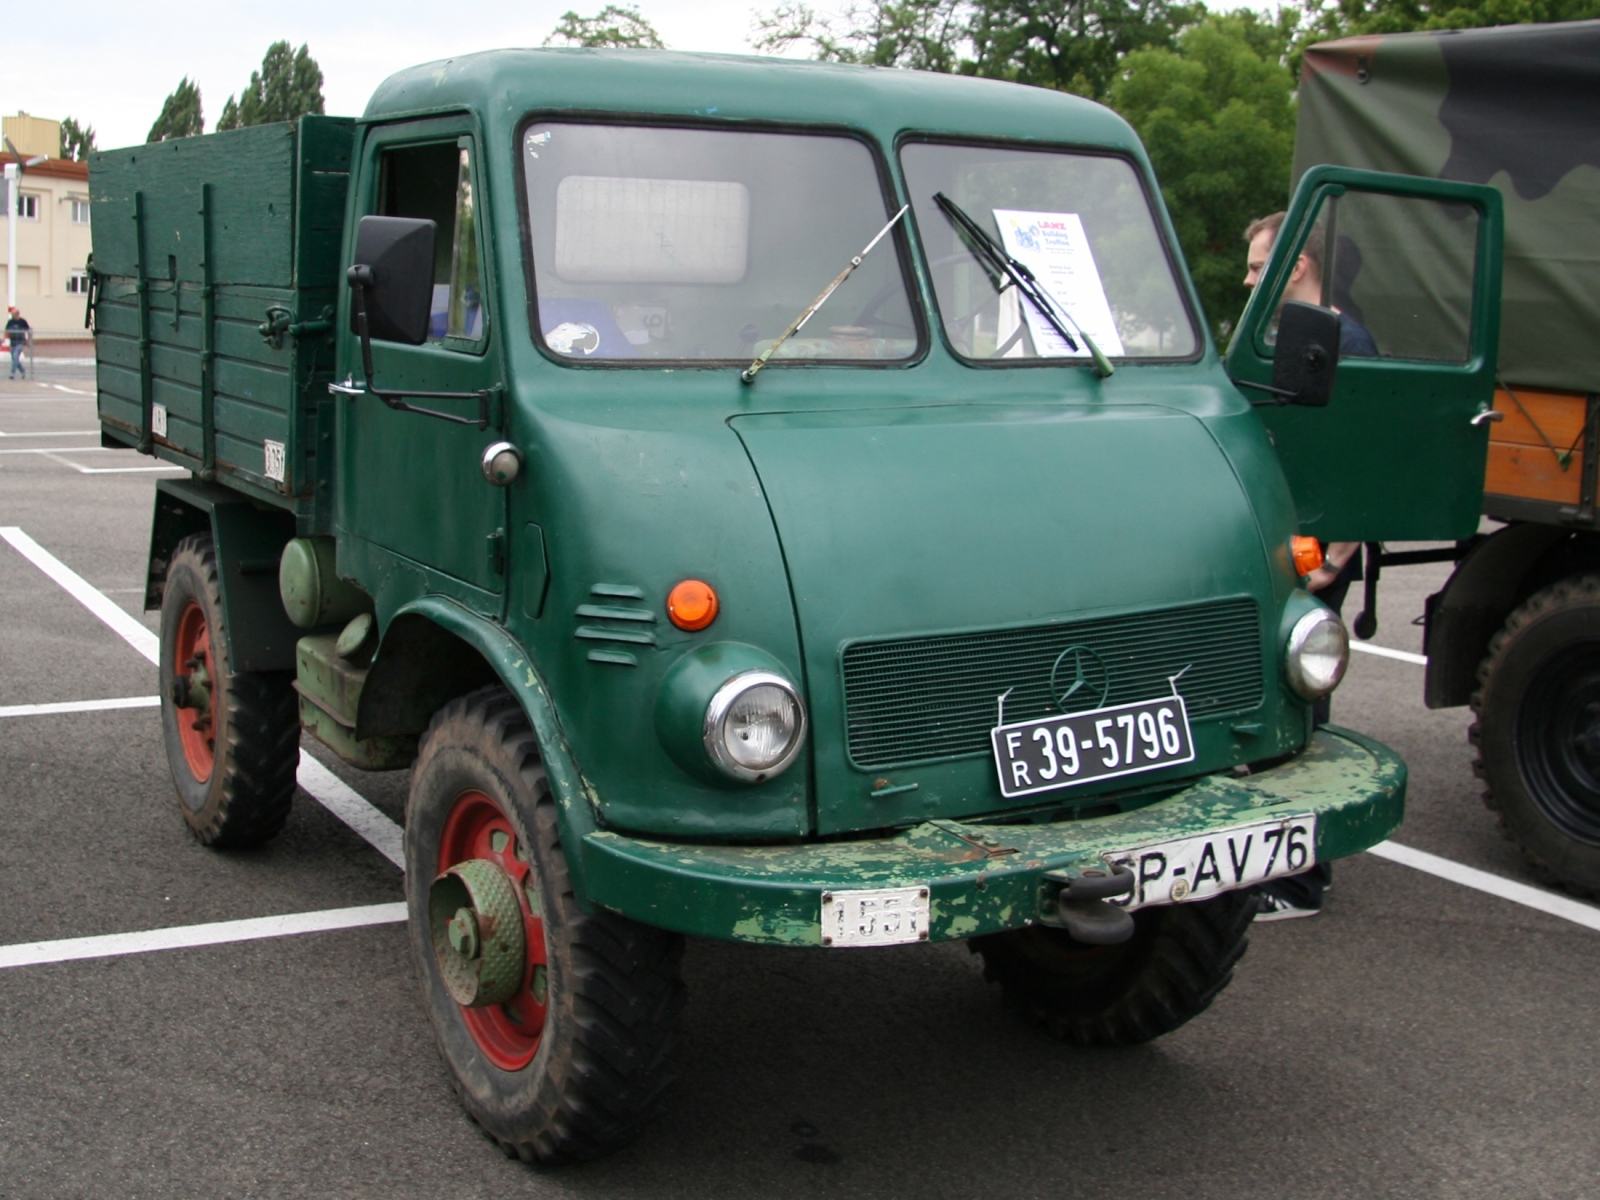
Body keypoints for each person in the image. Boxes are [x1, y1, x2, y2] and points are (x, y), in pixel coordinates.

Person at [1240, 211, 1376, 920]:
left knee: (1299, 707)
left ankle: (1297, 879)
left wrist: (1342, 546)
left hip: (1315, 553)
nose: (1248, 279)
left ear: (1296, 266)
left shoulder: (1340, 341)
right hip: (1292, 545)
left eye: (1261, 267)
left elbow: (1359, 450)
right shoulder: (1291, 336)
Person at [5, 307, 29, 379]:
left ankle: (12, 373)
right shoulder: (10, 321)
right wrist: (4, 339)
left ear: (17, 314)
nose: (12, 315)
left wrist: (27, 341)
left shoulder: (22, 321)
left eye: (14, 314)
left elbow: (28, 331)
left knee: (15, 356)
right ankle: (22, 370)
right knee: (14, 359)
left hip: (20, 341)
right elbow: (7, 330)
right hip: (12, 342)